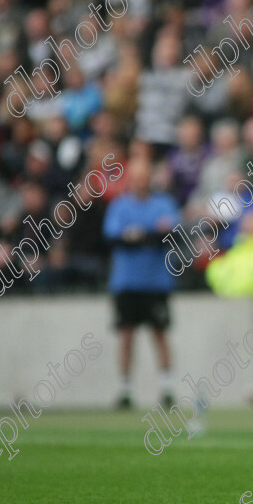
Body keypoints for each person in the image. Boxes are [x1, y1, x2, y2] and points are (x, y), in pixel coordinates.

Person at [103, 158, 181, 408]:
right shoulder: (120, 205)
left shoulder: (163, 203)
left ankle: (167, 388)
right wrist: (150, 235)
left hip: (156, 281)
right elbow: (115, 239)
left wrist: (139, 235)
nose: (140, 181)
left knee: (159, 333)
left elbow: (170, 234)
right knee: (126, 335)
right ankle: (125, 389)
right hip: (127, 282)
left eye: (144, 176)